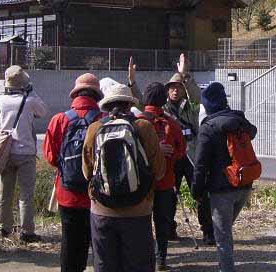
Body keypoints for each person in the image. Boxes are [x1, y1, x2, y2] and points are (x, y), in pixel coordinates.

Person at [83, 83, 166, 272]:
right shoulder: (143, 127)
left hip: (102, 210)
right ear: (130, 105)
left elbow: (87, 172)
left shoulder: (95, 128)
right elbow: (159, 171)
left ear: (106, 106)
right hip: (138, 209)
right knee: (138, 265)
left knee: (105, 264)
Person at [192, 82, 257, 272]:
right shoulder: (240, 121)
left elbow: (200, 164)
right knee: (225, 230)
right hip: (244, 183)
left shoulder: (208, 127)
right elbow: (253, 132)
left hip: (221, 190)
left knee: (223, 238)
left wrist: (196, 191)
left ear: (207, 105)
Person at [43, 73, 105, 272]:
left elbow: (51, 157)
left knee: (70, 243)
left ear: (76, 94)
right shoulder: (103, 120)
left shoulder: (59, 120)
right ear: (97, 96)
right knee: (100, 245)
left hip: (68, 193)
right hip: (98, 194)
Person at [135, 82, 186, 271]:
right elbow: (181, 150)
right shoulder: (171, 123)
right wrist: (166, 155)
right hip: (165, 181)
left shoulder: (136, 122)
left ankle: (144, 258)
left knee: (142, 221)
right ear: (164, 100)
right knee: (162, 222)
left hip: (141, 183)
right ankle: (161, 259)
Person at [165, 54, 214, 244]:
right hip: (173, 156)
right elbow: (142, 102)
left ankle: (208, 232)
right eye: (171, 87)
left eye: (178, 87)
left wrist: (185, 75)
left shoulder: (191, 105)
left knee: (201, 193)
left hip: (192, 155)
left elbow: (198, 96)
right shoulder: (163, 108)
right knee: (169, 195)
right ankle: (169, 230)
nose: (175, 90)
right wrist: (132, 83)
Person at [0, 66, 48, 242]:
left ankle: (3, 228)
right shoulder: (29, 101)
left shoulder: (0, 100)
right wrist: (32, 91)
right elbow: (43, 111)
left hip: (5, 151)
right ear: (24, 84)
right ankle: (27, 231)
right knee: (26, 194)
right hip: (25, 152)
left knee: (4, 193)